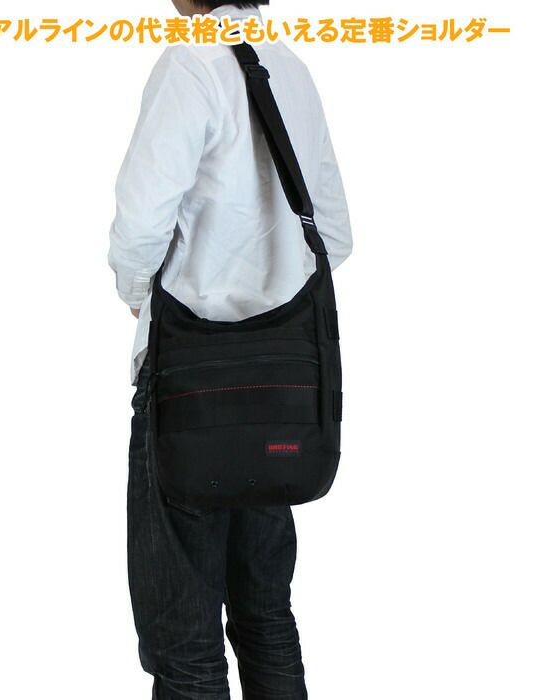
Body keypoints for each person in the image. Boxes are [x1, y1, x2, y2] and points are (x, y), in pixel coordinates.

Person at [108, 2, 352, 697]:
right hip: (280, 395)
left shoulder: (191, 63)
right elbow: (333, 235)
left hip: (189, 389)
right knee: (266, 617)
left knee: (185, 645)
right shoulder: (289, 65)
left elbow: (139, 228)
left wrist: (139, 293)